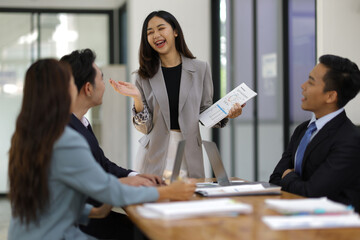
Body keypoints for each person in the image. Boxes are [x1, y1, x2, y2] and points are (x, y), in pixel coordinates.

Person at [7, 59, 196, 240]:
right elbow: (108, 190)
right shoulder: (64, 138)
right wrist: (168, 192)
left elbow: (48, 202)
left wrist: (96, 210)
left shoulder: (30, 136)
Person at [110, 10, 244, 179]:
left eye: (161, 28)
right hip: (154, 153)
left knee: (191, 200)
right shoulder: (143, 76)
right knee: (155, 202)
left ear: (175, 31)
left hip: (190, 152)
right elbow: (145, 128)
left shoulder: (200, 69)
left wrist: (227, 113)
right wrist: (137, 98)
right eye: (150, 32)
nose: (156, 35)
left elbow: (205, 112)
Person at [60, 48, 163, 239]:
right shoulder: (67, 133)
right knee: (151, 229)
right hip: (84, 223)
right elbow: (92, 189)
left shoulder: (79, 123)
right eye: (101, 79)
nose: (105, 85)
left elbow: (103, 165)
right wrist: (136, 186)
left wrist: (137, 176)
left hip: (91, 216)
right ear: (88, 88)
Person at [269, 54, 360, 212]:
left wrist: (289, 177)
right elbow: (275, 178)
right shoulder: (303, 129)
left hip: (334, 227)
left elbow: (312, 193)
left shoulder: (349, 140)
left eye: (311, 82)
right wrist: (291, 180)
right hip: (296, 214)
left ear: (330, 96)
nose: (303, 86)